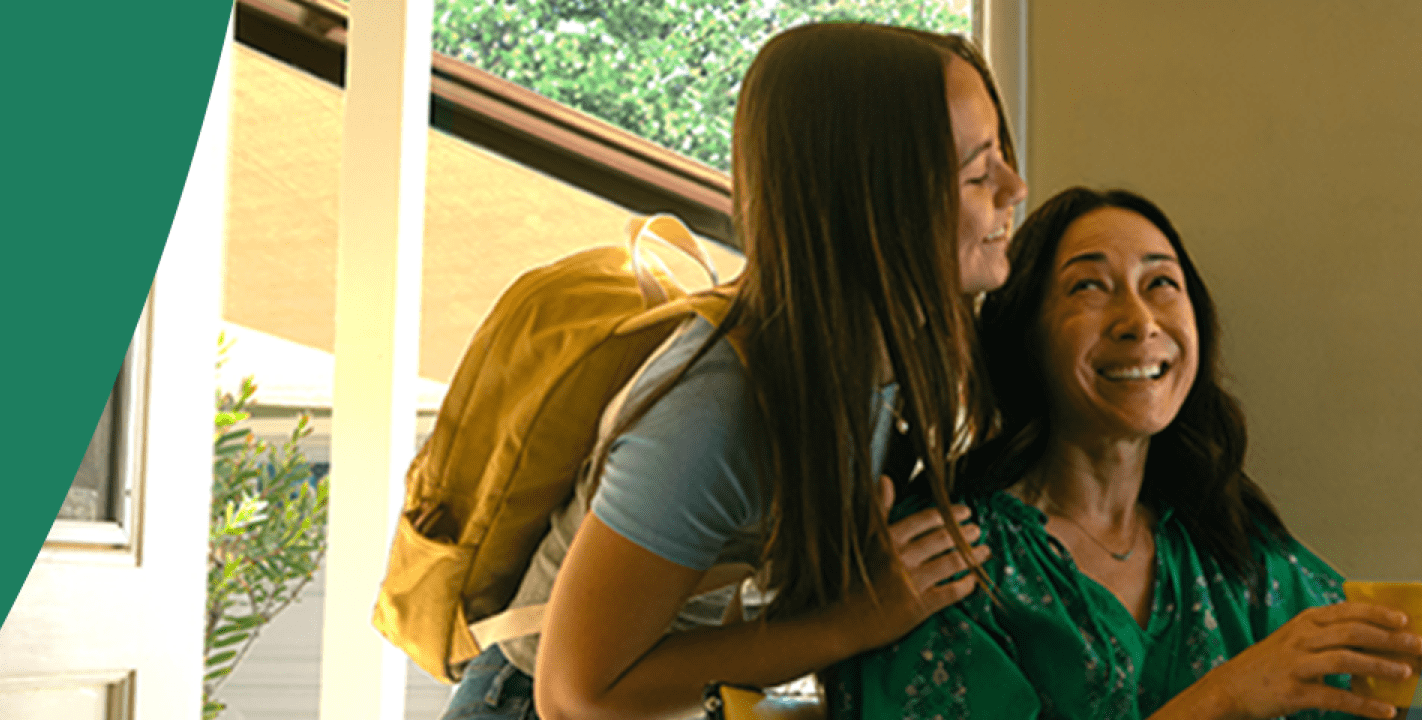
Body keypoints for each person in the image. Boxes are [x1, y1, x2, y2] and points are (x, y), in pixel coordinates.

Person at [434, 22, 1031, 720]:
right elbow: (576, 693)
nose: (1014, 189)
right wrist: (857, 620)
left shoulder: (888, 352)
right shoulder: (717, 407)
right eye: (977, 172)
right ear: (871, 202)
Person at [822, 188, 1422, 720]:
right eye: (1089, 287)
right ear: (1024, 335)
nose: (1139, 322)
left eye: (1162, 284)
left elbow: (1362, 703)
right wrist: (1223, 698)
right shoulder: (949, 556)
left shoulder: (1238, 556)